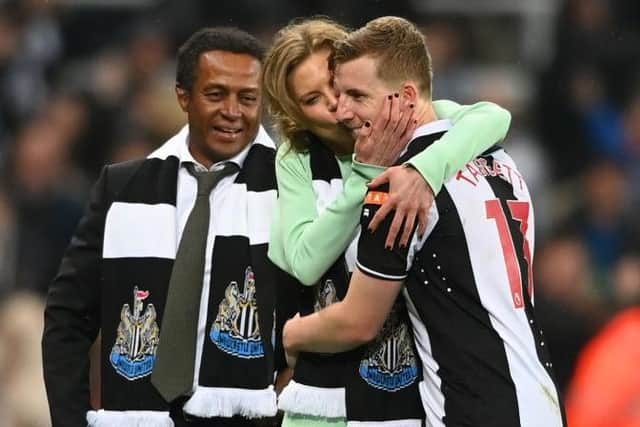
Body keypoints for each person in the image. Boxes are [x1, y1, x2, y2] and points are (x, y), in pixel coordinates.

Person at [282, 16, 566, 427]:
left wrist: (293, 335)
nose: (342, 111)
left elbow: (357, 322)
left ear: (406, 97)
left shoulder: (396, 191)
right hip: (542, 399)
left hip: (470, 408)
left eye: (357, 96)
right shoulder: (500, 161)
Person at [43, 27, 287, 427]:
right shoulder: (121, 187)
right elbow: (69, 316)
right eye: (216, 94)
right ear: (183, 96)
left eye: (248, 98)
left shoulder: (288, 191)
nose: (233, 111)